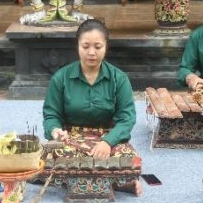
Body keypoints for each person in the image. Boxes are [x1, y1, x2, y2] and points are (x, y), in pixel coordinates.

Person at [42, 19, 140, 192]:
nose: (91, 52)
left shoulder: (119, 78)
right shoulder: (61, 77)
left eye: (98, 46)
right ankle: (116, 181)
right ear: (78, 46)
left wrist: (107, 143)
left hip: (107, 138)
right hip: (71, 139)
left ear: (106, 46)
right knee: (49, 154)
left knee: (127, 156)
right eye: (86, 46)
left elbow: (127, 119)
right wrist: (55, 131)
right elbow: (51, 115)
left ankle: (69, 179)